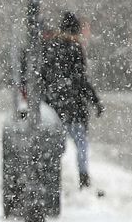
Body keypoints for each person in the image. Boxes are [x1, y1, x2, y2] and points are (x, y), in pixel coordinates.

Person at [41, 10, 102, 189]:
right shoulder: (75, 49)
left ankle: (51, 178)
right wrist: (95, 101)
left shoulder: (50, 47)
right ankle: (83, 178)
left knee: (55, 146)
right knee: (81, 144)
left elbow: (43, 77)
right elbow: (81, 80)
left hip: (55, 107)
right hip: (74, 107)